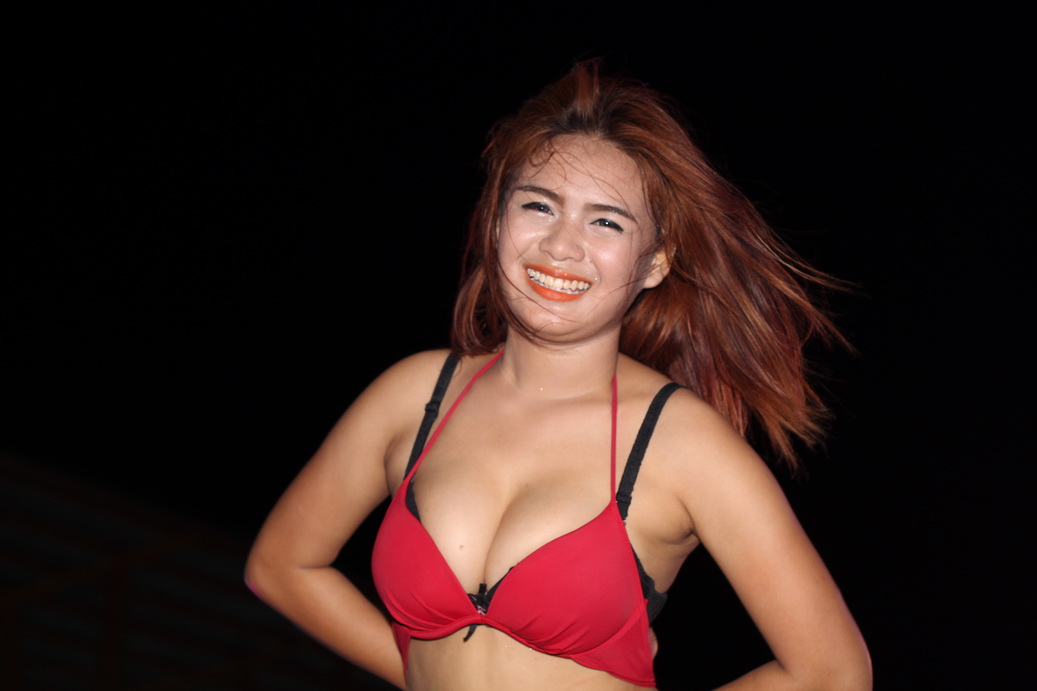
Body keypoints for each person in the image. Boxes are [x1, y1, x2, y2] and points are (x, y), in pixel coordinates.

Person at [246, 61, 872, 690]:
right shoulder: (415, 395)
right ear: (497, 219)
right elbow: (282, 566)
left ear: (655, 261)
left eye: (606, 221)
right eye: (539, 205)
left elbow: (833, 673)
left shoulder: (681, 441)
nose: (561, 245)